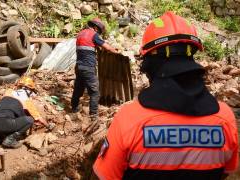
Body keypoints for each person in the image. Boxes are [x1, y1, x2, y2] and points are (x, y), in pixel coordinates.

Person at [93, 11, 238, 180]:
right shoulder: (225, 118)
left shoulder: (129, 119)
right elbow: (225, 173)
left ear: (150, 63)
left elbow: (105, 176)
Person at [0, 76, 54, 148]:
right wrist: (48, 125)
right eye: (32, 91)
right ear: (29, 90)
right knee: (29, 120)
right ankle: (10, 140)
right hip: (3, 122)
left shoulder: (8, 92)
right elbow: (38, 117)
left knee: (7, 118)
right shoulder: (26, 101)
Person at [71, 17, 118, 122]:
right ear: (96, 28)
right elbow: (108, 47)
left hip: (78, 67)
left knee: (78, 89)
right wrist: (117, 52)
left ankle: (74, 108)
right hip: (88, 67)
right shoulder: (94, 35)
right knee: (94, 92)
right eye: (99, 31)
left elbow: (87, 46)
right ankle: (93, 115)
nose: (99, 33)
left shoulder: (80, 34)